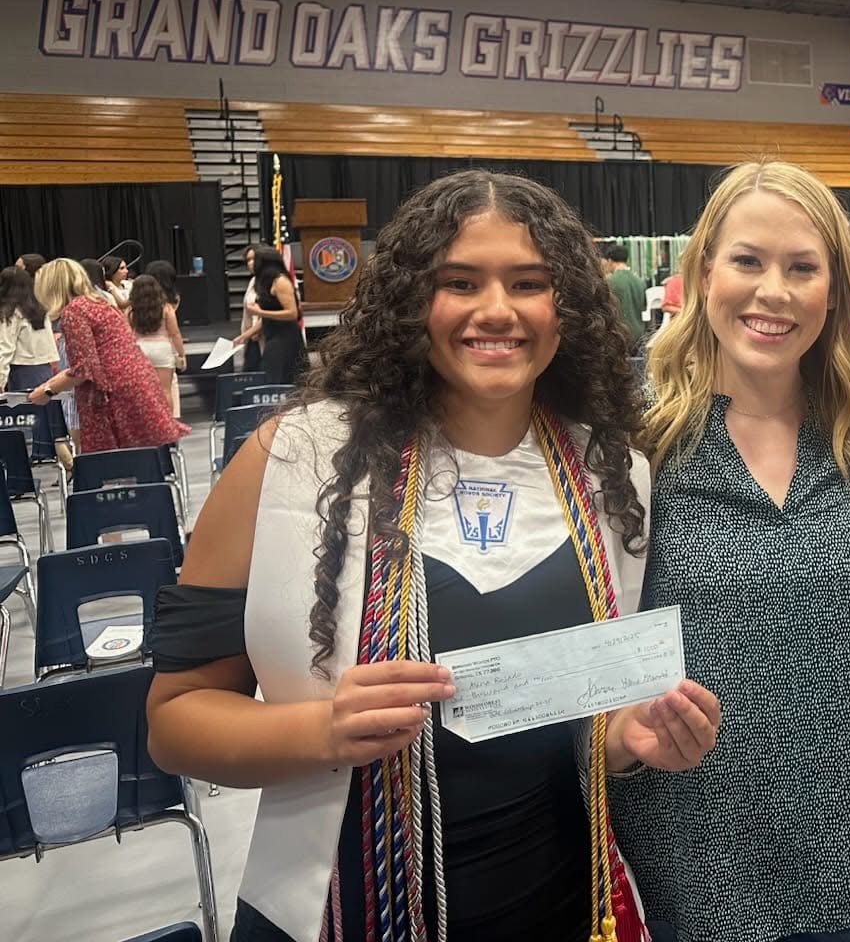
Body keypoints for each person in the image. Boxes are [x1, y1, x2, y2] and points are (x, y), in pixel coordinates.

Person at [146, 170, 721, 942]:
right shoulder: (294, 460)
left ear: (567, 310)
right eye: (461, 282)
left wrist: (626, 742)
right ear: (413, 300)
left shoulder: (613, 476)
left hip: (560, 904)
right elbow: (174, 721)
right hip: (342, 911)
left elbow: (586, 714)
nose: (497, 309)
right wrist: (320, 732)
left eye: (528, 283)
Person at [615, 161, 850, 942]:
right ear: (704, 272)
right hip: (692, 860)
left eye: (802, 268)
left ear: (835, 291)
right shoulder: (633, 442)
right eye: (748, 261)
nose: (773, 292)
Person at [28, 259, 188, 452]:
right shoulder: (101, 303)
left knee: (115, 460)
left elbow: (84, 369)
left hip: (115, 394)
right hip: (139, 384)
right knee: (145, 457)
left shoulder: (74, 311)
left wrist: (48, 390)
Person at [236, 248, 305, 385]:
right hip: (271, 333)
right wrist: (245, 335)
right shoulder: (262, 282)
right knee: (269, 373)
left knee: (280, 376)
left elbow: (292, 313)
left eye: (254, 260)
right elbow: (268, 316)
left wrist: (260, 312)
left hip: (285, 336)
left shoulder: (280, 281)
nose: (251, 263)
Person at [127, 274, 184, 419]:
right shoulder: (167, 309)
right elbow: (175, 333)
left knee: (144, 391)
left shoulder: (131, 311)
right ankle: (168, 423)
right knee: (165, 391)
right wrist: (181, 354)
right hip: (162, 349)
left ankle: (148, 422)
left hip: (140, 349)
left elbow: (127, 334)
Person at [0, 264, 59, 393]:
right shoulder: (40, 309)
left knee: (24, 405)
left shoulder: (10, 313)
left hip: (21, 371)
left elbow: (5, 347)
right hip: (44, 369)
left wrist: (1, 379)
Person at [604, 243, 648, 347]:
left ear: (609, 261)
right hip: (639, 333)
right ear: (626, 260)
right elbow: (644, 307)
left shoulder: (610, 282)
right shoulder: (640, 281)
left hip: (620, 334)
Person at [237, 241, 271, 372]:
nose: (250, 263)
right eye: (248, 260)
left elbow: (267, 315)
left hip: (267, 337)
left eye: (254, 259)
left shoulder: (271, 282)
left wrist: (244, 336)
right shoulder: (253, 281)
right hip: (252, 338)